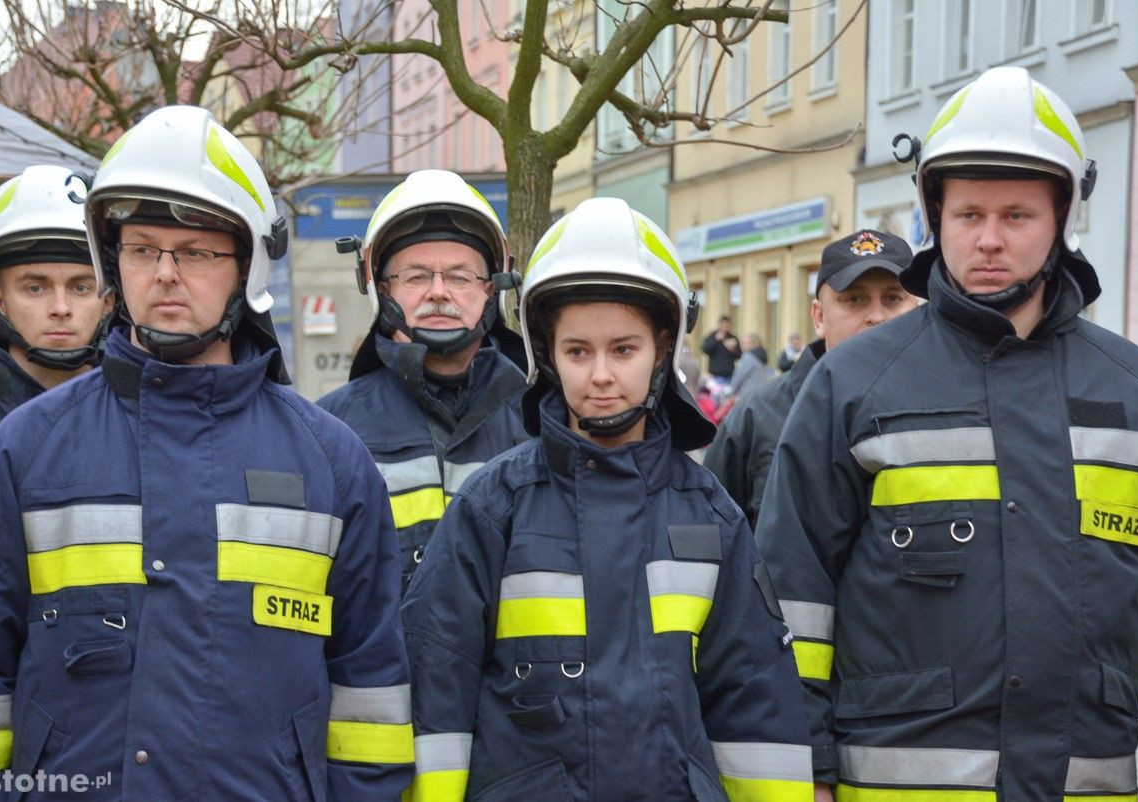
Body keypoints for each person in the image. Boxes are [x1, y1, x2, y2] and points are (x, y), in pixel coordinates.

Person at [0, 107, 412, 798]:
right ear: (114, 262)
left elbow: (371, 700)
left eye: (197, 251)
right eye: (143, 249)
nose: (165, 274)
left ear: (247, 266)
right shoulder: (24, 452)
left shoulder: (331, 462)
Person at [756, 66, 1138, 800]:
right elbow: (792, 602)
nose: (988, 240)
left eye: (1017, 216)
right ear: (934, 217)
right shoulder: (852, 386)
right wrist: (804, 779)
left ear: (1063, 219)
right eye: (969, 214)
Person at [402, 197, 813, 800]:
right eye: (577, 351)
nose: (600, 374)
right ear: (546, 356)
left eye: (623, 349)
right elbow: (436, 683)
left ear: (662, 350)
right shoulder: (494, 507)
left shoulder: (709, 515)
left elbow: (755, 707)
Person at [317, 169, 528, 594]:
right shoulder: (328, 430)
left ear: (493, 290)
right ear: (380, 290)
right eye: (415, 276)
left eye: (459, 276)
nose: (438, 292)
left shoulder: (537, 421)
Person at [705, 229, 917, 528]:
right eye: (855, 299)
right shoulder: (756, 419)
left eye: (893, 299)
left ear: (918, 311)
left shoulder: (947, 411)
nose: (876, 317)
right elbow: (715, 541)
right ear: (819, 318)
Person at [0, 164, 114, 461]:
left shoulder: (148, 410)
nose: (60, 308)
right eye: (36, 288)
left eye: (81, 288)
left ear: (108, 302)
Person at [701, 314, 740, 384]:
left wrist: (733, 350)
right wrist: (715, 340)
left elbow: (739, 355)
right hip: (715, 375)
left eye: (727, 325)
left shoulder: (733, 338)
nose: (725, 327)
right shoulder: (712, 336)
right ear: (720, 325)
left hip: (729, 375)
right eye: (724, 325)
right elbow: (705, 349)